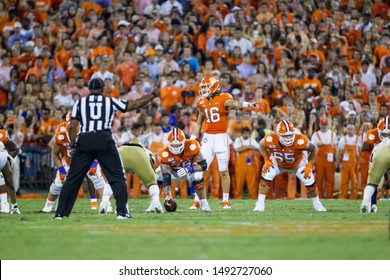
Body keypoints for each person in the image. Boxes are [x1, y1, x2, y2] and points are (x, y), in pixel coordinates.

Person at [55, 78, 159, 220]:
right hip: (105, 139)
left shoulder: (80, 103)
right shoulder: (110, 101)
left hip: (85, 140)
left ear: (89, 90)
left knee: (73, 178)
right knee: (117, 177)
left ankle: (60, 213)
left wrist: (73, 145)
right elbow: (134, 104)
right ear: (103, 89)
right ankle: (122, 212)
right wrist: (153, 95)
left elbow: (72, 126)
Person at [190, 75, 256, 209]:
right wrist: (192, 139)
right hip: (207, 137)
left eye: (205, 87)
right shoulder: (201, 102)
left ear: (214, 86)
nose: (202, 90)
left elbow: (234, 104)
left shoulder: (224, 97)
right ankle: (197, 200)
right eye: (202, 87)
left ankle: (225, 200)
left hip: (220, 137)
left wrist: (246, 104)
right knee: (200, 169)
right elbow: (198, 123)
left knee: (223, 170)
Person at [254, 120, 326, 212]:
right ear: (278, 134)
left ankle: (317, 204)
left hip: (297, 163)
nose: (288, 138)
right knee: (266, 173)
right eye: (285, 136)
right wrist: (266, 160)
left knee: (309, 178)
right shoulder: (271, 138)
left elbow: (314, 149)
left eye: (290, 135)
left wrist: (309, 165)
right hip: (278, 162)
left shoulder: (300, 139)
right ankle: (260, 203)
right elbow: (261, 144)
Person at [41, 123, 107, 213]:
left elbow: (98, 150)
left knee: (97, 177)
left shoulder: (87, 134)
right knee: (59, 182)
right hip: (69, 162)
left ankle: (106, 204)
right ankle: (48, 204)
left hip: (86, 161)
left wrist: (94, 164)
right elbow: (55, 153)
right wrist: (61, 169)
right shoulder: (61, 135)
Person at [99, 141, 164, 214]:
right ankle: (155, 201)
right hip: (139, 155)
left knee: (113, 181)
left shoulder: (120, 148)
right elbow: (151, 168)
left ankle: (104, 200)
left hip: (121, 152)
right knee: (152, 182)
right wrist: (148, 179)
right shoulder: (147, 152)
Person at [157, 127, 211, 211]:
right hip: (172, 172)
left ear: (183, 142)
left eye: (178, 145)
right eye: (173, 145)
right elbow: (166, 176)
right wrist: (168, 195)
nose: (176, 148)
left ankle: (204, 204)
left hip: (189, 171)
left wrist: (189, 169)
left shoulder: (192, 146)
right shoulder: (163, 153)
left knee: (198, 176)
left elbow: (204, 165)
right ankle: (155, 202)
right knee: (156, 175)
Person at [361, 116, 390, 212]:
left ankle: (366, 202)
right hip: (378, 155)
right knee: (373, 183)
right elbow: (364, 149)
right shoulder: (371, 134)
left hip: (379, 155)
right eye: (384, 134)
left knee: (372, 183)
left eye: (388, 135)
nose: (386, 137)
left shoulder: (373, 134)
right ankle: (371, 204)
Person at [310, 117, 338, 198]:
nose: (324, 126)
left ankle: (329, 196)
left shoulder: (333, 134)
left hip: (330, 161)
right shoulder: (315, 135)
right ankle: (319, 196)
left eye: (325, 125)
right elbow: (311, 148)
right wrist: (316, 145)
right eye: (322, 124)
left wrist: (336, 161)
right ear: (320, 125)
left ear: (328, 125)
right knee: (319, 179)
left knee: (330, 179)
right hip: (319, 161)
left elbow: (336, 148)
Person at [233, 127, 260, 199]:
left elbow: (259, 148)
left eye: (247, 133)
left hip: (250, 165)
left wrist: (255, 151)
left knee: (252, 182)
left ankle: (252, 198)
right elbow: (236, 149)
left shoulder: (252, 140)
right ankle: (237, 198)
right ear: (242, 134)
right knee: (239, 182)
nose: (246, 135)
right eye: (244, 133)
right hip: (240, 165)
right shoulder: (238, 140)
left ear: (250, 134)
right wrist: (248, 147)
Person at [0, 129, 20, 214]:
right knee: (1, 181)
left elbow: (16, 148)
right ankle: (4, 205)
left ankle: (14, 207)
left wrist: (8, 159)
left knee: (9, 182)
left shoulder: (1, 134)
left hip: (2, 158)